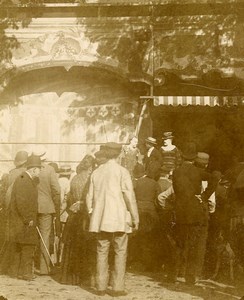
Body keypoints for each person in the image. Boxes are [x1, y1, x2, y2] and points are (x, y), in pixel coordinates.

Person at [86, 142, 139, 297]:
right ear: (119, 154)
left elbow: (89, 197)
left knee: (101, 251)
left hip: (101, 220)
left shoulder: (96, 172)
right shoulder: (122, 172)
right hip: (119, 219)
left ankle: (100, 287)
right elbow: (129, 196)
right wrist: (135, 217)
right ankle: (117, 287)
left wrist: (92, 214)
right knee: (120, 251)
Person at [171, 142, 216, 285]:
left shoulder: (176, 171)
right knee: (193, 245)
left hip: (180, 212)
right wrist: (204, 196)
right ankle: (190, 277)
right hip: (195, 212)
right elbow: (216, 177)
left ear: (183, 157)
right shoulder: (198, 172)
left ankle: (176, 273)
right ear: (194, 158)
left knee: (180, 243)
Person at [60, 155, 95, 286]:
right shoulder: (89, 179)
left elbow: (69, 198)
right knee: (83, 247)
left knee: (71, 247)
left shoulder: (74, 178)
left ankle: (68, 277)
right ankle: (81, 277)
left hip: (73, 217)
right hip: (83, 216)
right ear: (90, 167)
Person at [8, 155, 43, 280]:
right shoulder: (24, 179)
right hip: (24, 220)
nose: (40, 172)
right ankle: (25, 273)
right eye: (39, 169)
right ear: (34, 169)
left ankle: (17, 272)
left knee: (22, 245)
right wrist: (28, 218)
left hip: (22, 219)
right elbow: (21, 201)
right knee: (28, 245)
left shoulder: (25, 178)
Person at [33, 146, 61, 275]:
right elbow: (57, 190)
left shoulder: (30, 169)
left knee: (33, 236)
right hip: (46, 208)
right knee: (44, 237)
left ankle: (32, 266)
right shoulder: (49, 170)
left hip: (32, 206)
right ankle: (44, 268)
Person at [129, 163, 160, 271]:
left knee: (135, 238)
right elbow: (159, 198)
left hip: (137, 212)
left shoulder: (135, 183)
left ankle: (133, 261)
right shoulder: (154, 183)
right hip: (151, 212)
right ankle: (149, 264)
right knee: (149, 238)